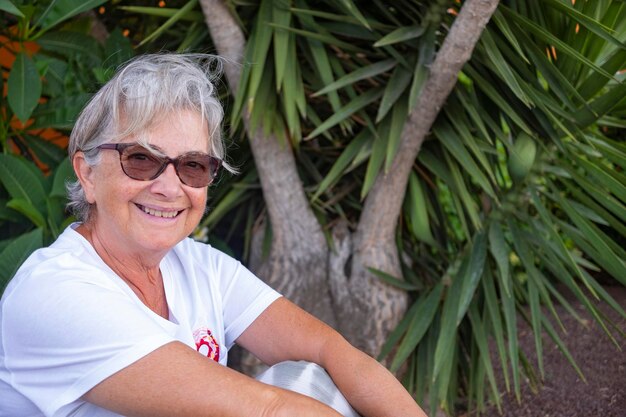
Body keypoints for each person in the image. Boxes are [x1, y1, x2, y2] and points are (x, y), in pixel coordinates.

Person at [0, 53, 427, 417]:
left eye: (193, 166)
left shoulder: (198, 265)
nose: (169, 187)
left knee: (311, 379)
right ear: (87, 174)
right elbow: (265, 409)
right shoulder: (54, 293)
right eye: (141, 159)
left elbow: (333, 352)